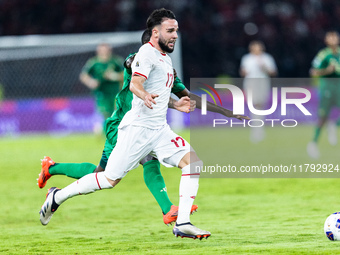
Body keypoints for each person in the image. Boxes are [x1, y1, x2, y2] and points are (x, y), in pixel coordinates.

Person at [39, 9, 247, 239]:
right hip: (136, 129)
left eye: (176, 30)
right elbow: (135, 83)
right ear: (155, 32)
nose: (175, 35)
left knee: (193, 163)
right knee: (108, 179)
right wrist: (143, 94)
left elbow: (178, 95)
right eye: (170, 31)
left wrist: (225, 112)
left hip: (158, 129)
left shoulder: (166, 62)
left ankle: (184, 222)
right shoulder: (145, 54)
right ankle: (57, 197)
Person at [307, 31, 340, 159]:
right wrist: (327, 70)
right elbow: (313, 71)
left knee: (327, 119)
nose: (333, 39)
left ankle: (334, 125)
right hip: (327, 86)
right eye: (330, 37)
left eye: (335, 37)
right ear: (326, 40)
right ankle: (313, 144)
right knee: (323, 117)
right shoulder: (323, 55)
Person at [80, 43, 124, 134]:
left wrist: (114, 76)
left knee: (115, 113)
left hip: (115, 92)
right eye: (101, 50)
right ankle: (106, 131)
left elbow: (125, 75)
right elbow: (83, 76)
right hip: (101, 93)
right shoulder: (93, 62)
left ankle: (104, 130)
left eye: (105, 50)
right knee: (105, 113)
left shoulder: (115, 61)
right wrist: (91, 82)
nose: (104, 52)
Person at [240, 40, 277, 143]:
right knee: (254, 105)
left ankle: (260, 129)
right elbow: (243, 72)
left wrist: (264, 67)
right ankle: (255, 130)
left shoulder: (266, 58)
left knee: (261, 105)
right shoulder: (247, 58)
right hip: (251, 83)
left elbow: (273, 71)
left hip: (262, 82)